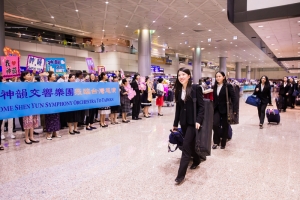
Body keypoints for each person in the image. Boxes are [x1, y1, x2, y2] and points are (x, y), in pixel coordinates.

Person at [172, 68, 204, 184]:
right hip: (184, 122)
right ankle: (196, 160)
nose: (181, 77)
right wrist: (175, 124)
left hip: (194, 122)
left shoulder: (196, 88)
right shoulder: (178, 89)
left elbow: (201, 106)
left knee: (185, 147)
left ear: (189, 76)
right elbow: (178, 108)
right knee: (189, 144)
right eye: (179, 75)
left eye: (183, 74)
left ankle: (180, 176)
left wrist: (199, 120)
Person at [212, 71, 237, 150]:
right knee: (215, 124)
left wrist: (235, 109)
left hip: (225, 109)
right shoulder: (214, 86)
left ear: (224, 77)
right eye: (216, 77)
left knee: (225, 125)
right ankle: (216, 142)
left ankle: (223, 142)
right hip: (216, 109)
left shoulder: (228, 86)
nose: (218, 78)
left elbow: (234, 98)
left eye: (219, 76)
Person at [20, 71, 39, 144]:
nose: (29, 76)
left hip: (33, 104)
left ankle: (31, 137)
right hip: (26, 105)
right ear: (24, 76)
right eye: (28, 75)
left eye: (30, 75)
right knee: (27, 121)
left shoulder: (33, 83)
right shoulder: (23, 84)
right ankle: (26, 138)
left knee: (33, 121)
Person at [43, 71, 62, 140]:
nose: (55, 76)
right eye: (53, 75)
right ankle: (48, 134)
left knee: (56, 118)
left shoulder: (56, 84)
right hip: (48, 104)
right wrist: (44, 76)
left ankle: (55, 132)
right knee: (49, 118)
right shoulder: (46, 83)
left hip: (55, 103)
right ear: (49, 77)